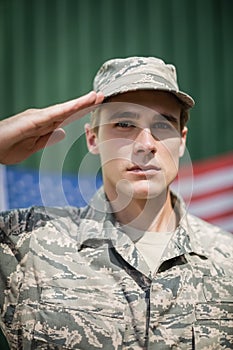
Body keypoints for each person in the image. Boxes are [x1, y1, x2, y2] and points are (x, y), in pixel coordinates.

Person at [0, 56, 232, 349]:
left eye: (163, 124)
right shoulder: (26, 244)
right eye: (124, 124)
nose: (146, 144)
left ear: (181, 140)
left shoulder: (227, 259)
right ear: (93, 139)